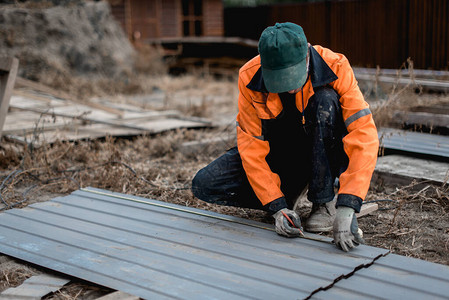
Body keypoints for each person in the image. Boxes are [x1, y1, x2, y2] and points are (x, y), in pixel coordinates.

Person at [191, 22, 379, 252]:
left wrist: (349, 204)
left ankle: (323, 202)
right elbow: (251, 148)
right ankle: (289, 193)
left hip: (324, 151)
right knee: (205, 184)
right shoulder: (249, 76)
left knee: (325, 101)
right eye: (279, 81)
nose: (288, 89)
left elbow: (363, 135)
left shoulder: (336, 66)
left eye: (292, 79)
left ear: (306, 58)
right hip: (282, 155)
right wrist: (276, 206)